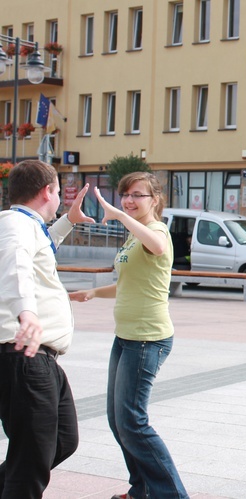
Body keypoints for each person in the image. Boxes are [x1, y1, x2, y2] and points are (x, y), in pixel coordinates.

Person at [69, 172, 189, 499]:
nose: (129, 200)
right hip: (125, 337)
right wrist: (92, 294)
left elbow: (159, 245)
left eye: (138, 195)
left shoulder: (156, 230)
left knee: (133, 422)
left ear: (155, 200)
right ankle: (142, 489)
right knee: (117, 419)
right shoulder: (132, 237)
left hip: (147, 338)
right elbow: (128, 284)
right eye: (125, 195)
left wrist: (121, 215)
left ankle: (170, 495)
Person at [0, 159, 94, 498]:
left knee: (62, 441)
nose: (59, 197)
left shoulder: (25, 224)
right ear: (47, 192)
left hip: (40, 358)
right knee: (31, 460)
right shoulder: (14, 225)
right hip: (24, 353)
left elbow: (41, 248)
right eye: (58, 191)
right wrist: (26, 311)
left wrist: (68, 220)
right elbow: (16, 261)